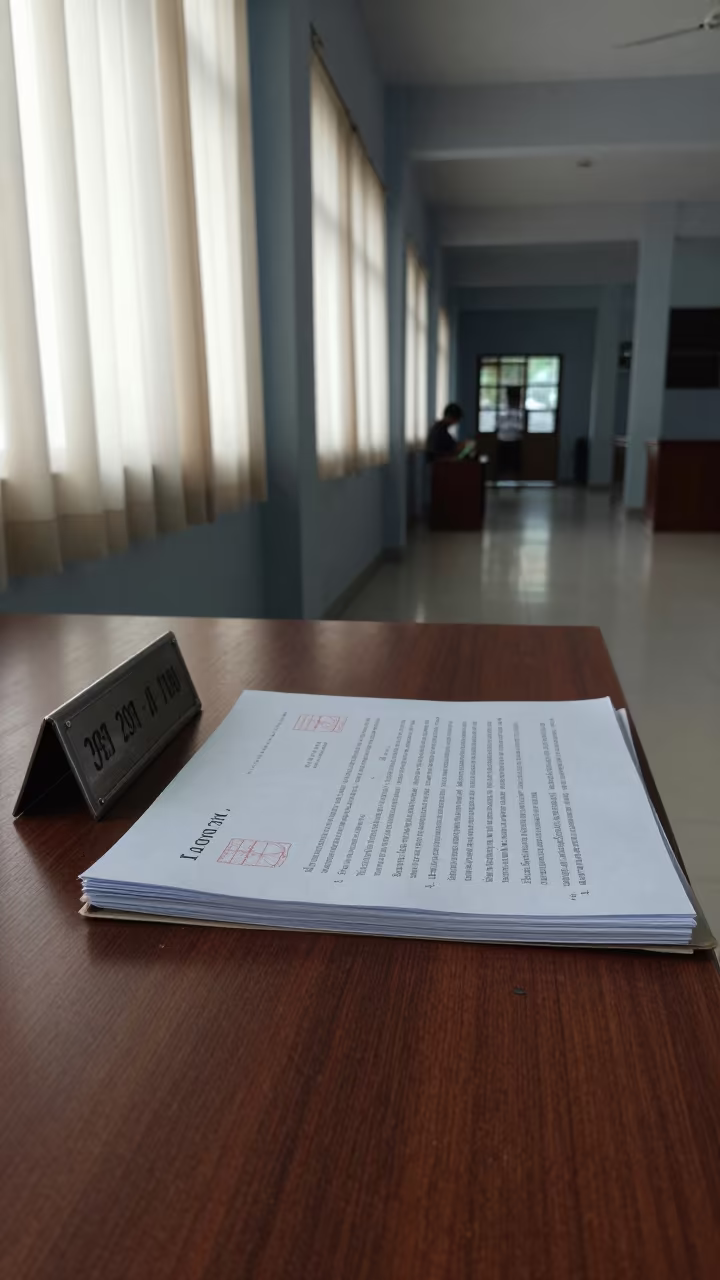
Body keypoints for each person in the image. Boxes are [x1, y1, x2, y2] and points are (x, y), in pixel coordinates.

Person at [496, 385, 524, 480]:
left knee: (516, 466)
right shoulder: (502, 410)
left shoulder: (520, 411)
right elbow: (498, 425)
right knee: (501, 465)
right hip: (503, 440)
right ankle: (499, 481)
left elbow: (521, 427)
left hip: (515, 441)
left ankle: (517, 482)